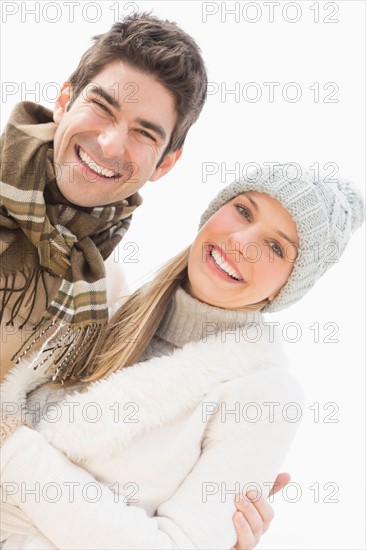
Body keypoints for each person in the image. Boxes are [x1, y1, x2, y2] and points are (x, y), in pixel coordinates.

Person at [1, 164, 363, 549]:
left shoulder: (265, 394)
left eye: (276, 247)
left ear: (288, 286)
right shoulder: (103, 296)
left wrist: (13, 447)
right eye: (243, 210)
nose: (243, 242)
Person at [0, 11, 207, 382]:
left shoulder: (103, 293)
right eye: (102, 107)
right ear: (65, 100)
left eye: (145, 133)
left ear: (165, 164)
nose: (111, 145)